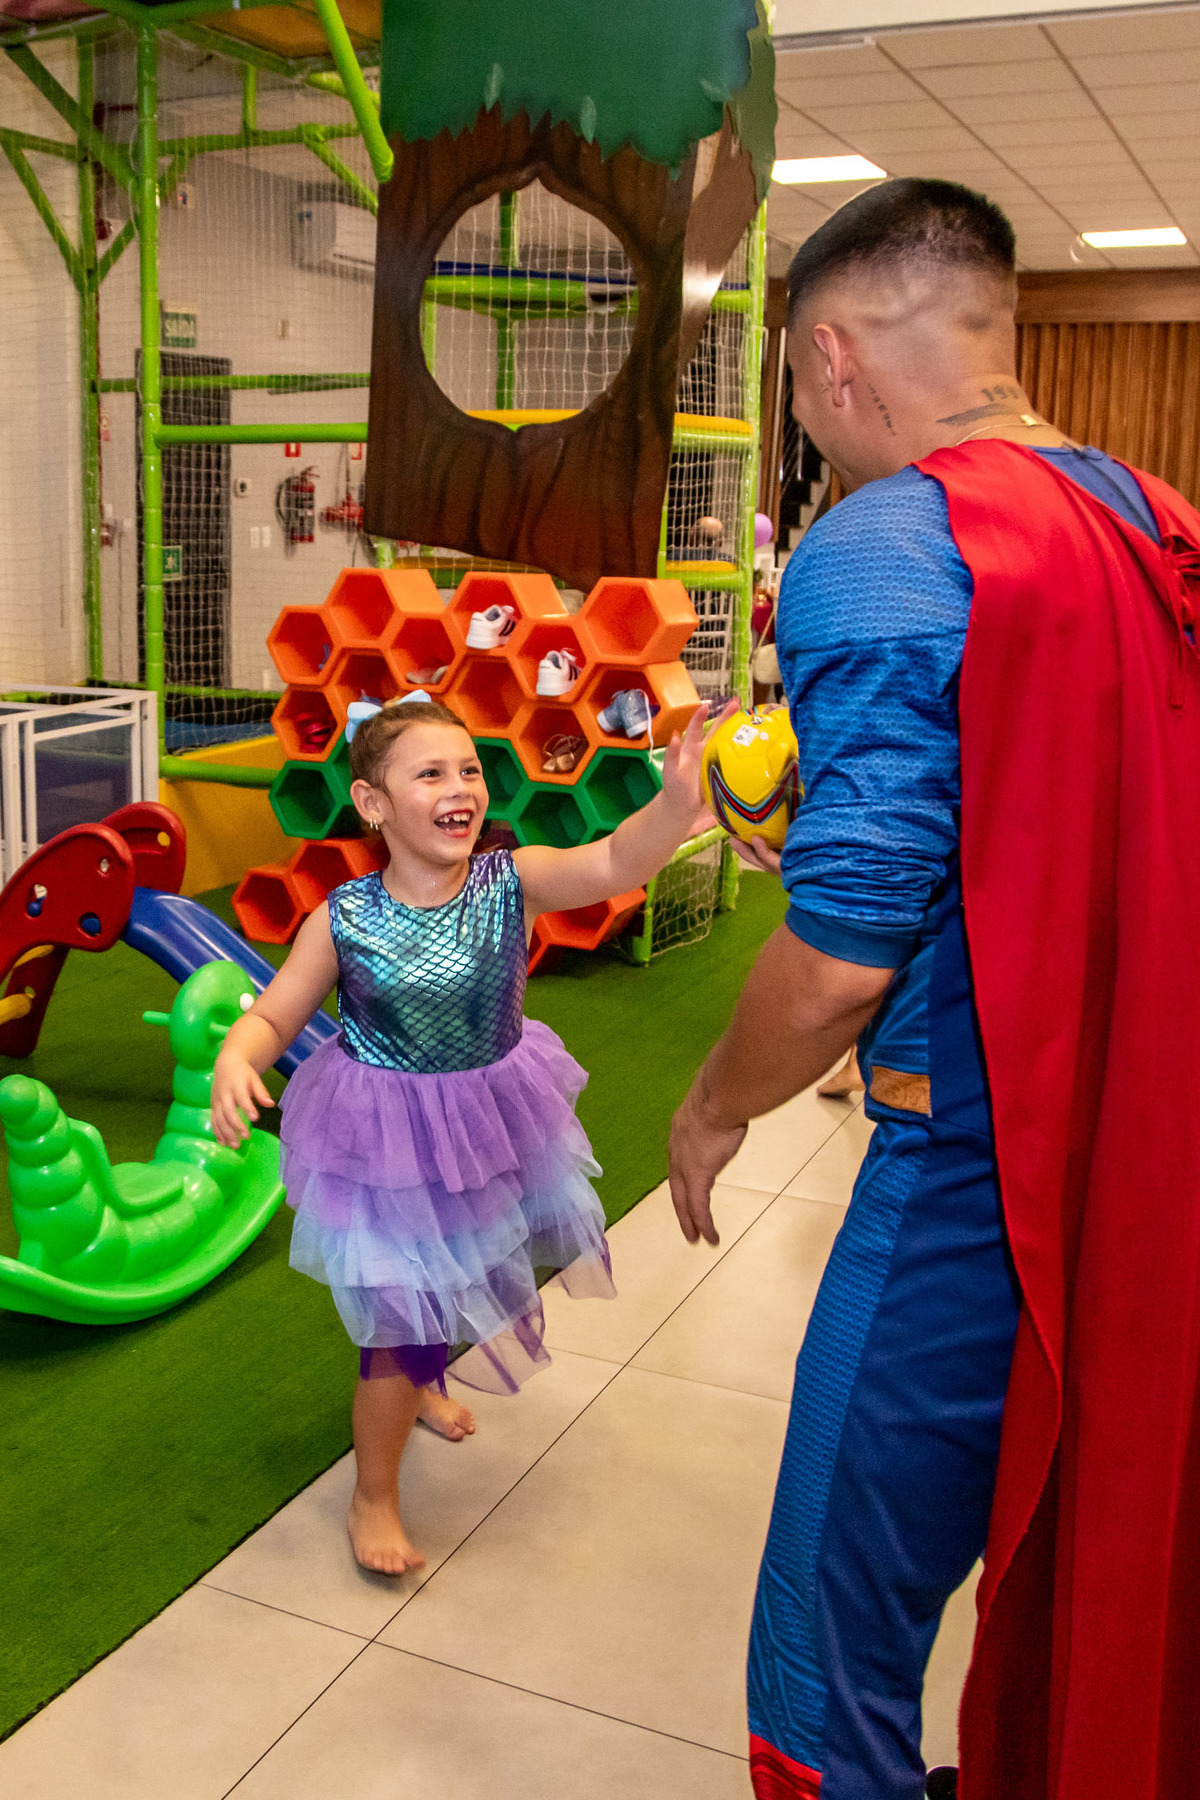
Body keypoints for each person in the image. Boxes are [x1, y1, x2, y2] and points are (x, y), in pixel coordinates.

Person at [668, 178, 1200, 1800]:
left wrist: (711, 1106)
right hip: (1145, 1141)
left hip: (977, 1177)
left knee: (821, 1648)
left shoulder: (892, 543)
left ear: (830, 360)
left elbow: (844, 958)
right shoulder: (1151, 516)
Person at [212, 691, 713, 1576]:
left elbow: (612, 861)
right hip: (382, 1142)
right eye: (431, 774)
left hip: (484, 1125)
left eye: (470, 770)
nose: (460, 788)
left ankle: (425, 1385)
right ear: (373, 804)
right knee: (396, 1325)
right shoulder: (343, 918)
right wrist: (235, 1056)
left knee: (459, 1270)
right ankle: (373, 1493)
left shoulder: (511, 882)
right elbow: (276, 1014)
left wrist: (673, 807)